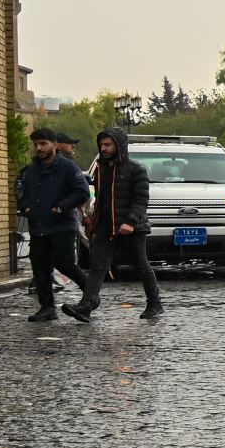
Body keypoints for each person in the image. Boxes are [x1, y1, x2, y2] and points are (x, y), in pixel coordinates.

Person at [65, 129, 163, 322]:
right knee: (97, 266)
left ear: (119, 146)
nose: (104, 148)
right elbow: (101, 200)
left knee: (141, 265)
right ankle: (86, 305)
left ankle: (155, 303)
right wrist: (93, 222)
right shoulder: (101, 169)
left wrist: (130, 222)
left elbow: (141, 199)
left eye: (108, 145)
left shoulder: (136, 169)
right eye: (102, 145)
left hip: (132, 228)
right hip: (105, 226)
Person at [17, 128, 92, 322]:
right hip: (38, 226)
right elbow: (22, 192)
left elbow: (82, 192)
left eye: (43, 144)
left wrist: (61, 207)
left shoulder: (68, 167)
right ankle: (47, 307)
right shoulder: (31, 170)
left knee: (65, 264)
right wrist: (25, 207)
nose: (39, 148)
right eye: (35, 144)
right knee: (40, 266)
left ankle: (91, 295)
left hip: (61, 225)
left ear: (55, 145)